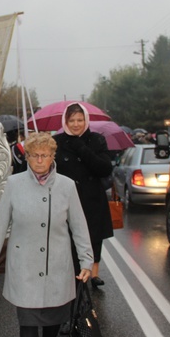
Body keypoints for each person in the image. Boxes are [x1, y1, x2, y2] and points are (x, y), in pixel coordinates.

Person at [0, 132, 93, 337]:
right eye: (34, 155)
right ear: (27, 157)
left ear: (53, 156)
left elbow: (79, 227)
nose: (40, 160)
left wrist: (87, 261)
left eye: (45, 155)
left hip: (57, 264)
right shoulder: (14, 184)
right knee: (28, 320)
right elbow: (0, 223)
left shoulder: (67, 186)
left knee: (53, 318)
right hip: (24, 266)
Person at [53, 102, 114, 289]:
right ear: (65, 121)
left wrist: (81, 147)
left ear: (86, 120)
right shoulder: (57, 141)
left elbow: (104, 168)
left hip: (92, 197)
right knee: (69, 237)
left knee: (94, 237)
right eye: (72, 120)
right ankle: (73, 271)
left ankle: (94, 273)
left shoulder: (96, 140)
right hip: (67, 199)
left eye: (80, 120)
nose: (76, 124)